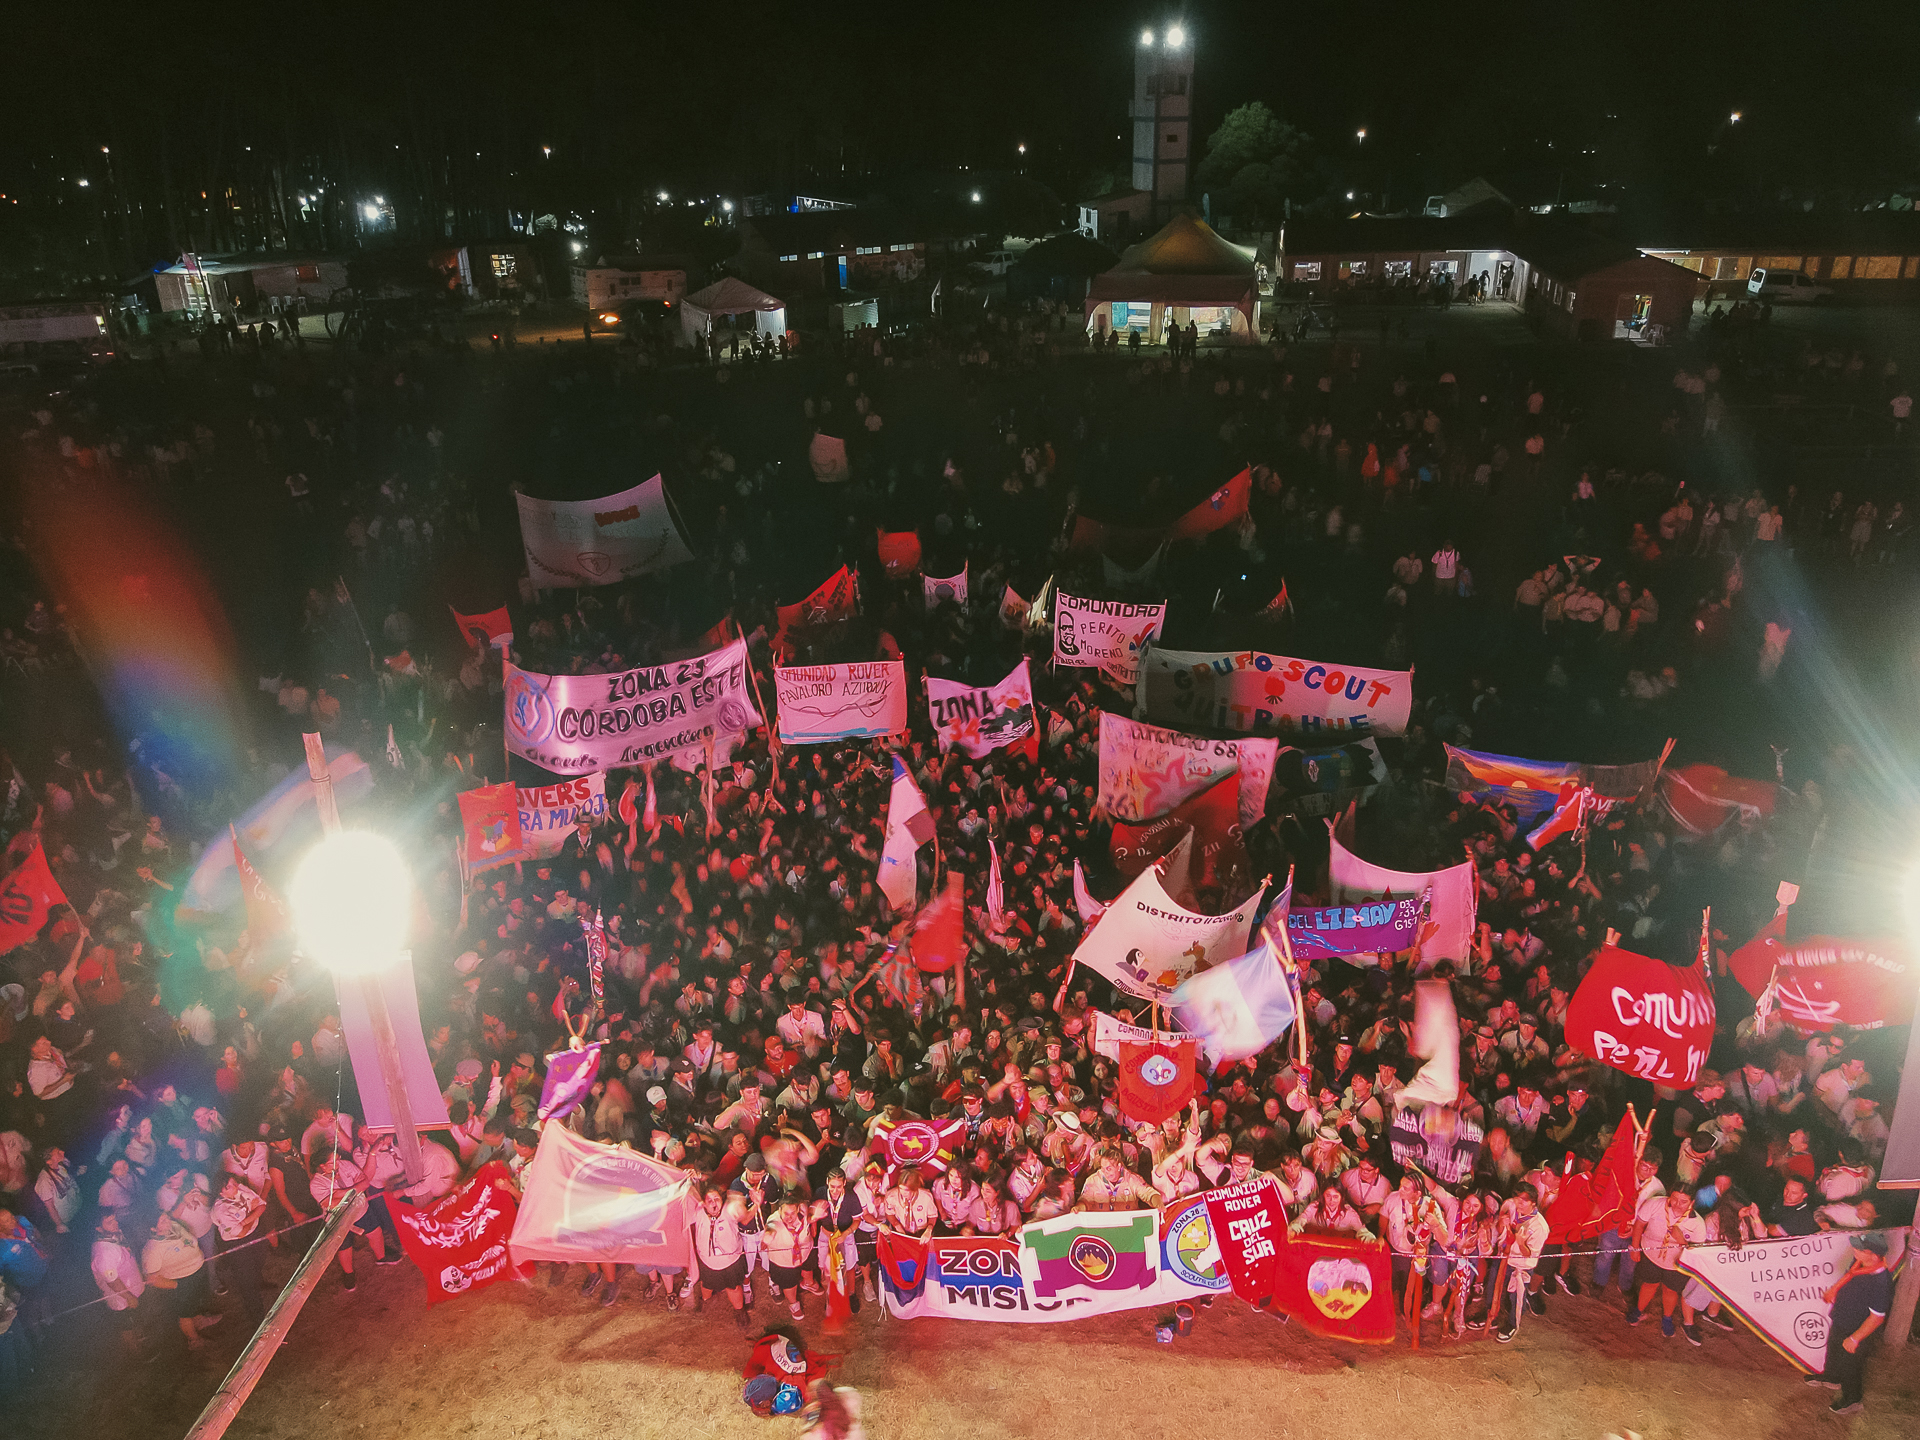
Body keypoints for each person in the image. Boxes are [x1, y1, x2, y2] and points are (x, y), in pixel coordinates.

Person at [1807, 1232, 1893, 1416]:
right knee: (1833, 1349)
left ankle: (1852, 1399)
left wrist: (1855, 1339)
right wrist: (1834, 1290)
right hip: (1842, 1318)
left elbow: (1877, 1317)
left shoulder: (1881, 1282)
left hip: (1856, 1328)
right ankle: (1831, 1377)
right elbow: (1849, 1276)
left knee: (1851, 1365)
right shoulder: (1859, 1264)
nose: (1854, 1249)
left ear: (1874, 1256)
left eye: (1860, 1249)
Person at [691, 1184, 752, 1328]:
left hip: (731, 1262)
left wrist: (756, 1203)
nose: (713, 1203)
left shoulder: (730, 1210)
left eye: (716, 1199)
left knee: (734, 1288)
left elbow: (745, 1218)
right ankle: (705, 1300)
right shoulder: (698, 1212)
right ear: (704, 1203)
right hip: (707, 1262)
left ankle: (740, 1311)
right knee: (706, 1284)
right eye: (709, 1200)